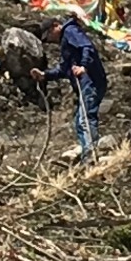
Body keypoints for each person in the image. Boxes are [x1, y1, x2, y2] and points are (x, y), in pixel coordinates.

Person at [33, 13, 108, 159]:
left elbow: (87, 47)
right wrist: (45, 75)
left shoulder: (70, 31)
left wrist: (83, 66)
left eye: (49, 35)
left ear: (56, 26)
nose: (50, 40)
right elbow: (63, 69)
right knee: (80, 121)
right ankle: (88, 152)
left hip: (90, 81)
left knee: (85, 119)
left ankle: (90, 155)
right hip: (84, 83)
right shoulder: (66, 43)